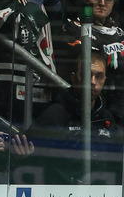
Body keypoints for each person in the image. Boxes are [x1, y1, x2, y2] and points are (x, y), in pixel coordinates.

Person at [37, 53, 122, 182]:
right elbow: (37, 162)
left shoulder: (107, 119)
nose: (93, 82)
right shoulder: (55, 114)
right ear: (74, 77)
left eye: (99, 77)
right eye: (87, 75)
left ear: (105, 79)